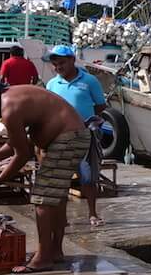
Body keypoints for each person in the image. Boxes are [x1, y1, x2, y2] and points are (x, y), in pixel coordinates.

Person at [0, 84, 87, 273]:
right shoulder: (13, 96)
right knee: (56, 196)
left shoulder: (8, 108)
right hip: (75, 136)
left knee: (42, 199)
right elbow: (15, 143)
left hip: (67, 139)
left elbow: (22, 154)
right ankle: (55, 250)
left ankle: (43, 257)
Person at [44, 44, 111, 226]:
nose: (58, 67)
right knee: (63, 178)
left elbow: (100, 105)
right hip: (61, 136)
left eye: (62, 63)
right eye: (55, 64)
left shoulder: (89, 81)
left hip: (85, 134)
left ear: (72, 60)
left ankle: (92, 213)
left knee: (88, 176)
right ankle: (62, 217)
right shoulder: (51, 84)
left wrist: (83, 119)